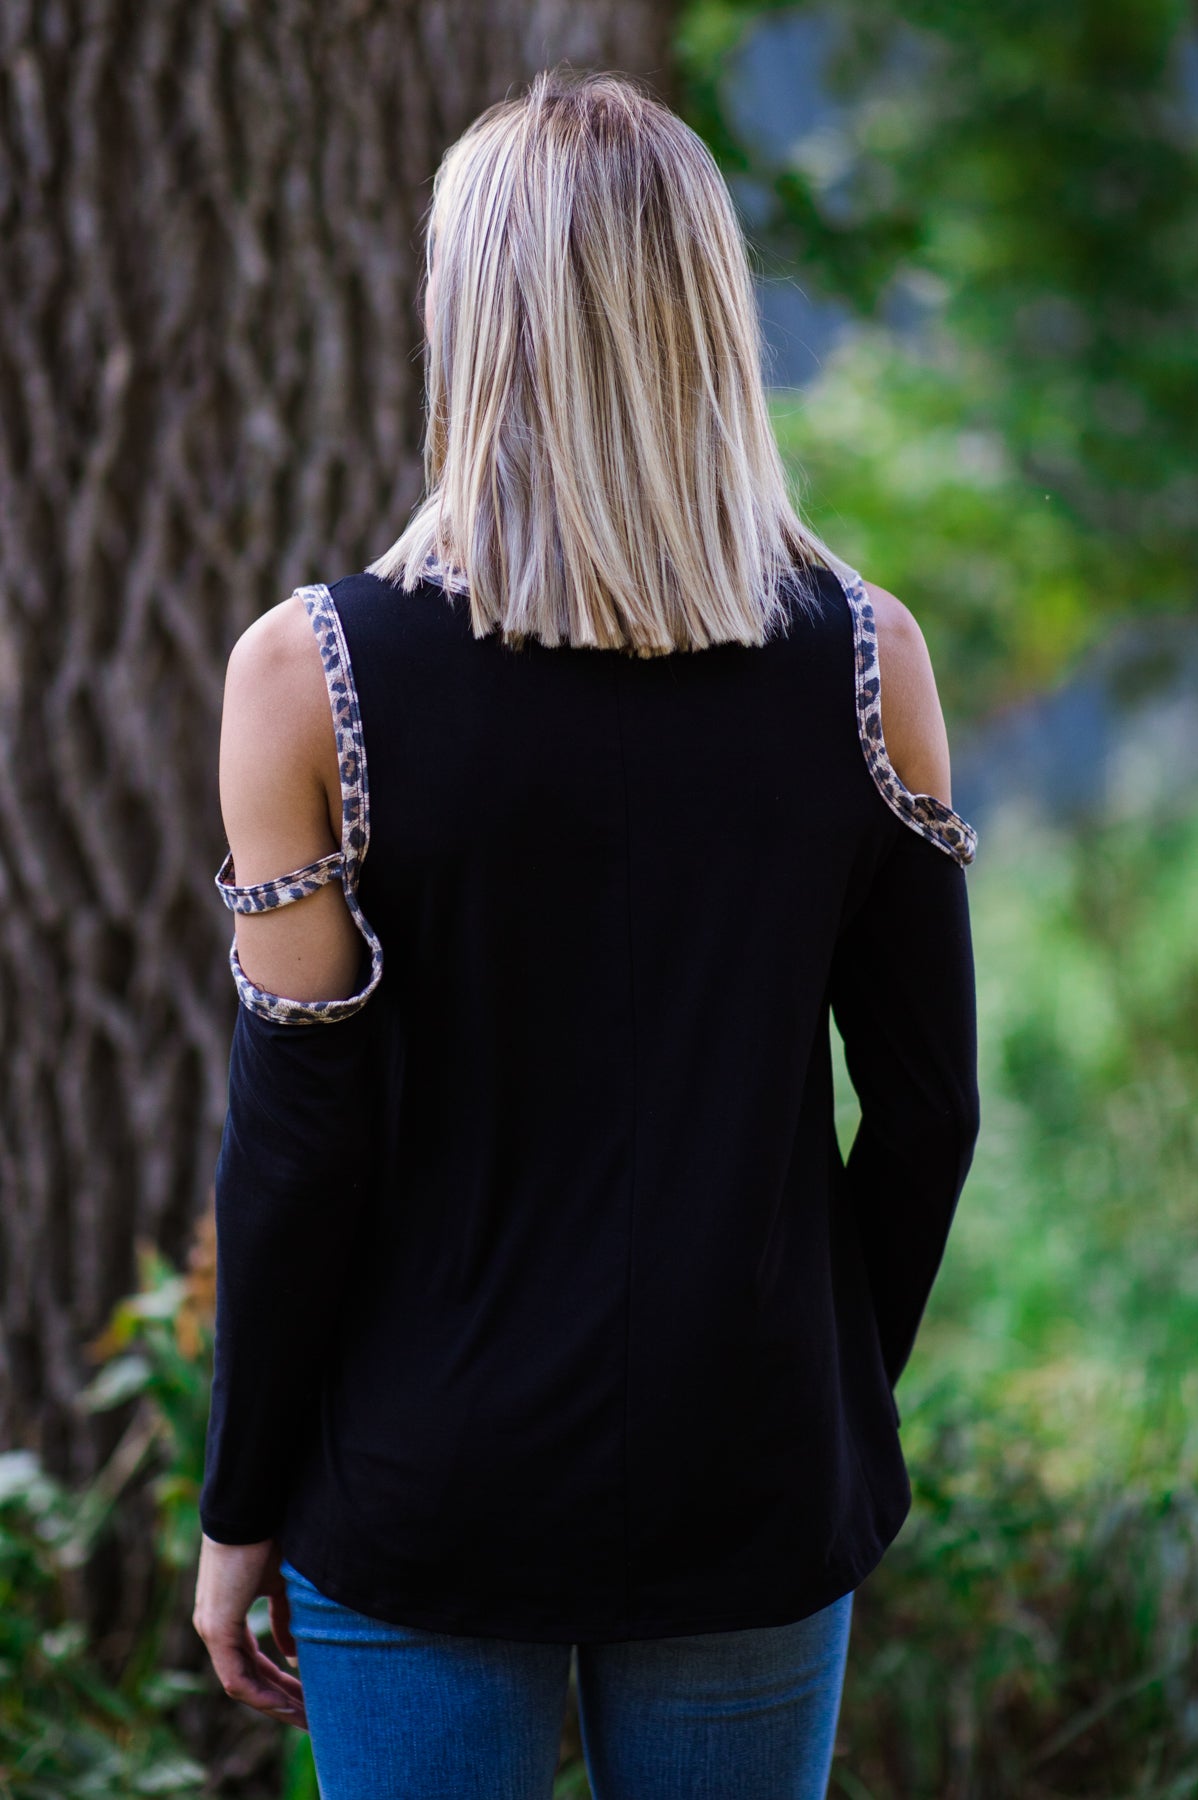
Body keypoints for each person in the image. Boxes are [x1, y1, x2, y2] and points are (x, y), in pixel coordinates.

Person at [191, 66, 979, 1800]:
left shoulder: (304, 681)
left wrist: (240, 1504)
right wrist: (815, 1392)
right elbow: (928, 1116)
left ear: (463, 321)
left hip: (415, 1478)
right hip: (752, 1467)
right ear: (710, 316)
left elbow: (301, 1145)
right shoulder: (870, 661)